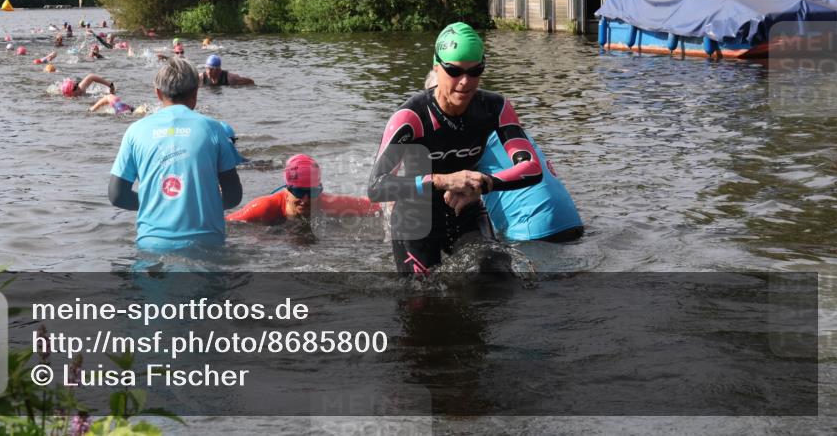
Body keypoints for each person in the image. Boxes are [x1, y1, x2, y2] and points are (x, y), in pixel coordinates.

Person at [367, 22, 543, 276]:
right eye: (454, 71)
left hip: (466, 209)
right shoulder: (410, 116)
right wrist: (444, 180)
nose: (465, 82)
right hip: (415, 216)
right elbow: (376, 186)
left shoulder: (495, 107)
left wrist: (483, 183)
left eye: (475, 71)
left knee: (496, 275)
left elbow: (532, 168)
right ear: (436, 67)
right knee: (421, 294)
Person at [420, 71, 584, 242]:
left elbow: (443, 196)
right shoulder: (506, 127)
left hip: (531, 231)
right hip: (571, 221)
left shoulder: (461, 137)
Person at [108, 59, 243, 252]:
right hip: (206, 244)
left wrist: (161, 203)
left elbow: (117, 195)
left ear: (158, 93)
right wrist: (199, 204)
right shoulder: (214, 129)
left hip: (152, 244)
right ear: (196, 92)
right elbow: (233, 195)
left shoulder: (135, 131)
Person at [227, 154, 380, 225]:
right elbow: (226, 224)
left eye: (312, 192)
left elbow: (374, 205)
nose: (305, 200)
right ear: (287, 190)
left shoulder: (327, 203)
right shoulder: (264, 207)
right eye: (299, 192)